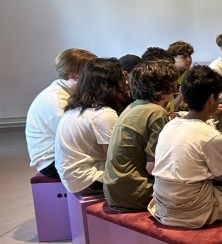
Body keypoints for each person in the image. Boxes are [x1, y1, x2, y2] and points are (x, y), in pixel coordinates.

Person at [148, 65, 222, 228]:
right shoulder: (210, 136)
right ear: (212, 99)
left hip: (163, 204)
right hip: (193, 210)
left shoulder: (169, 125)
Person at [104, 60, 179, 212]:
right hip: (135, 193)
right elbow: (153, 167)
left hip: (115, 190)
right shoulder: (156, 113)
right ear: (166, 87)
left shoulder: (133, 106)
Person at [55, 58, 128, 195]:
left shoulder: (75, 107)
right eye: (122, 78)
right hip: (87, 179)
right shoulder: (103, 114)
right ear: (112, 84)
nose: (126, 82)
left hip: (72, 175)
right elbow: (115, 159)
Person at [26, 48, 96, 179]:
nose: (94, 76)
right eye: (89, 72)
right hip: (51, 162)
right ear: (72, 75)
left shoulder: (69, 92)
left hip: (61, 154)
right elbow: (74, 138)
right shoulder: (55, 100)